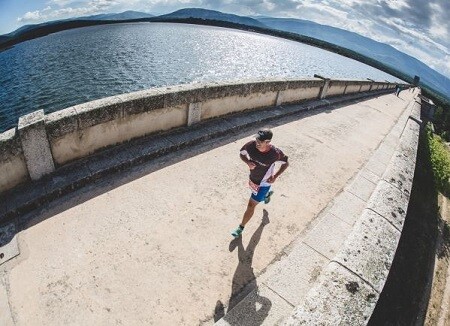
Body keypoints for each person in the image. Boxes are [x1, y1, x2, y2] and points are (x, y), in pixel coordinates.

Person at [231, 129, 289, 238]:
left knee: (251, 205)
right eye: (257, 139)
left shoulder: (275, 154)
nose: (257, 142)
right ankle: (266, 195)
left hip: (264, 184)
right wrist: (247, 162)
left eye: (260, 141)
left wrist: (275, 176)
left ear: (268, 142)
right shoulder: (250, 146)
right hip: (253, 179)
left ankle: (241, 227)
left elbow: (286, 163)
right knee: (258, 197)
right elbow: (242, 154)